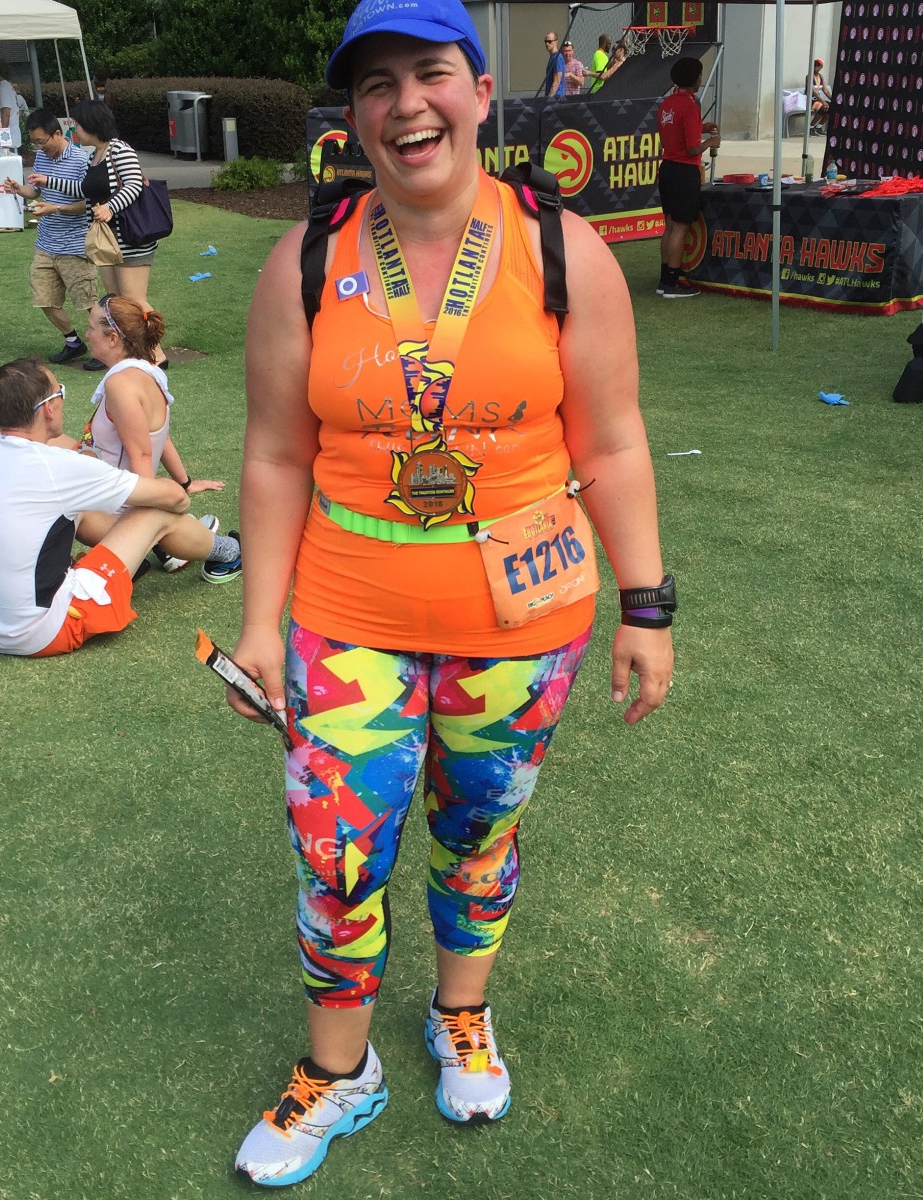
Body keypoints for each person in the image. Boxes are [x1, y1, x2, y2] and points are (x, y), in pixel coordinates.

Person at [228, 0, 673, 1186]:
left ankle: (460, 1014)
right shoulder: (306, 261)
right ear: (354, 116)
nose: (405, 105)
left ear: (480, 92)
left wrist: (646, 605)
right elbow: (274, 454)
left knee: (479, 836)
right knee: (336, 853)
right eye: (376, 85)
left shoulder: (563, 251)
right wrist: (258, 625)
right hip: (348, 615)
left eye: (429, 74)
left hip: (522, 620)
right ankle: (340, 1072)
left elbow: (614, 443)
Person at [0, 359, 196, 657]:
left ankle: (145, 557)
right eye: (60, 392)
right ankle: (226, 552)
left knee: (74, 510)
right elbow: (173, 497)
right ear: (48, 409)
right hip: (39, 632)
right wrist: (181, 493)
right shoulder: (58, 466)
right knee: (154, 511)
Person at [56, 295, 242, 581]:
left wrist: (145, 519)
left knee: (64, 509)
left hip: (112, 504)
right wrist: (185, 482)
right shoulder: (148, 371)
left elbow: (142, 454)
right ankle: (160, 541)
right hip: (110, 490)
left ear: (113, 338)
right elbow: (159, 438)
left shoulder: (121, 384)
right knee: (37, 444)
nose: (88, 334)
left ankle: (207, 548)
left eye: (91, 328)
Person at [28, 100, 162, 371]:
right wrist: (48, 181)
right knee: (116, 300)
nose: (75, 130)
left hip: (131, 237)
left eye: (78, 124)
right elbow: (84, 190)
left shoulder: (119, 149)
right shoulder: (95, 155)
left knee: (133, 300)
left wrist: (110, 207)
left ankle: (156, 354)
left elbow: (134, 184)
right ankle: (131, 353)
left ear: (92, 125)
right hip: (108, 240)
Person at [3, 109, 99, 365]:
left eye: (42, 141)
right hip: (46, 243)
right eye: (35, 142)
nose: (39, 147)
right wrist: (19, 189)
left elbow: (89, 203)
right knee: (44, 298)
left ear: (57, 134)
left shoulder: (80, 160)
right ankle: (73, 342)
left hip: (75, 244)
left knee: (89, 302)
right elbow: (35, 191)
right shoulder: (42, 158)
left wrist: (55, 208)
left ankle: (104, 349)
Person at [656, 56, 720, 300]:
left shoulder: (667, 103)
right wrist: (710, 141)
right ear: (695, 78)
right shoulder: (690, 105)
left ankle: (665, 279)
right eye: (700, 75)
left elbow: (668, 138)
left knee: (670, 225)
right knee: (680, 228)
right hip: (684, 172)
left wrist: (701, 128)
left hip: (667, 168)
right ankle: (673, 283)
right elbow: (693, 149)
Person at [806, 58, 832, 135]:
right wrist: (823, 102)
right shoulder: (809, 76)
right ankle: (810, 128)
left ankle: (818, 127)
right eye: (815, 65)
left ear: (821, 67)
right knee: (823, 107)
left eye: (818, 65)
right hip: (809, 100)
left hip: (817, 100)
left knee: (832, 107)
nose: (816, 67)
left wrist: (833, 99)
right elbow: (814, 92)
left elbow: (825, 90)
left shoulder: (821, 77)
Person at [542, 30, 565, 98]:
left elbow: (557, 81)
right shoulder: (552, 56)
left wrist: (549, 98)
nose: (547, 44)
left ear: (556, 42)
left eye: (549, 41)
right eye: (545, 41)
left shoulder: (558, 58)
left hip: (556, 97)